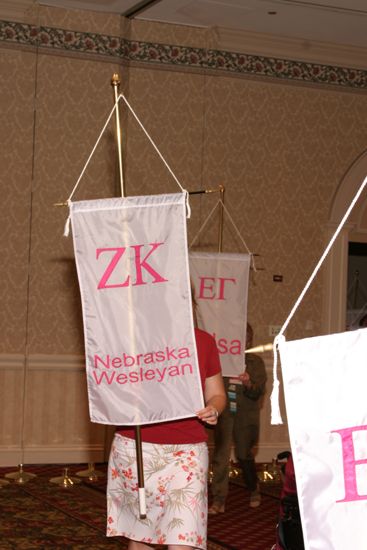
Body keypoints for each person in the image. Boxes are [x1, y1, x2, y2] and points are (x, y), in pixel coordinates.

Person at [106, 316, 226, 549]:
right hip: (137, 449)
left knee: (185, 537)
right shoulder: (132, 339)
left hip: (187, 453)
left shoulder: (203, 341)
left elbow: (217, 393)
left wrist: (214, 408)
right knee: (141, 537)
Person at [208, 323, 267, 512]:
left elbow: (258, 392)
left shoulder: (254, 362)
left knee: (244, 454)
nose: (243, 340)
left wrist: (249, 382)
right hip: (225, 414)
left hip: (246, 415)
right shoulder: (221, 360)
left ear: (249, 339)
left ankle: (253, 488)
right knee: (221, 454)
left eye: (246, 337)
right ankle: (219, 499)